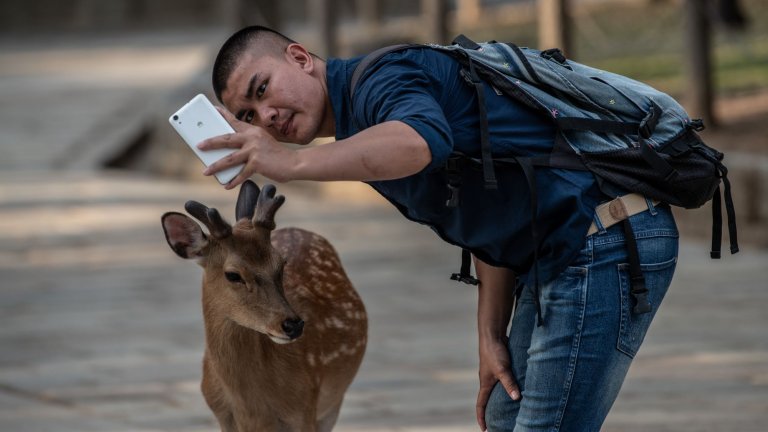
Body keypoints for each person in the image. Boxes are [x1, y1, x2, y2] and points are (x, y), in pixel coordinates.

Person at [199, 26, 679, 431]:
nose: (266, 118)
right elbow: (490, 215)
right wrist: (490, 332)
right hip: (561, 251)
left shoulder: (381, 81)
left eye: (262, 91)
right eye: (248, 117)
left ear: (300, 58)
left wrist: (292, 163)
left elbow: (419, 142)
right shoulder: (357, 126)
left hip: (608, 239)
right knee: (502, 416)